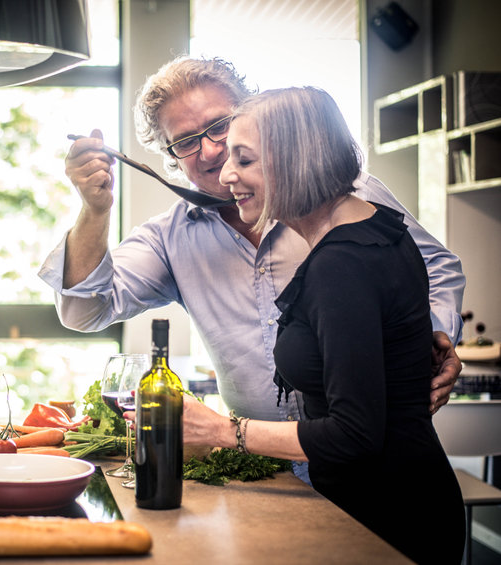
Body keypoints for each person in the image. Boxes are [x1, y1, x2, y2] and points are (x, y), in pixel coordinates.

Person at [38, 56, 465, 480]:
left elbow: (434, 267)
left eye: (219, 126)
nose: (210, 151)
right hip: (265, 469)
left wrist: (421, 345)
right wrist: (95, 210)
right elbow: (84, 310)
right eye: (185, 142)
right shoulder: (169, 238)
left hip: (374, 468)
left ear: (249, 115)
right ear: (171, 157)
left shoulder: (343, 196)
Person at [181, 85, 464, 564]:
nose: (227, 175)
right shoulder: (380, 226)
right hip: (403, 499)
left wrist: (224, 430)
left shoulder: (341, 264)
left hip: (386, 520)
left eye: (244, 160)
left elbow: (354, 435)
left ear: (294, 160)